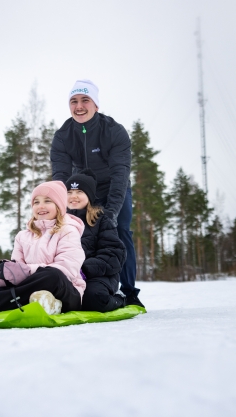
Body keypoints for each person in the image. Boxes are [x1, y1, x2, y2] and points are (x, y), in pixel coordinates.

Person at [50, 79, 144, 308]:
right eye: (74, 101)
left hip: (114, 187)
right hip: (82, 190)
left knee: (119, 231)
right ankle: (78, 285)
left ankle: (129, 291)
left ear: (96, 105)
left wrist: (111, 212)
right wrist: (61, 208)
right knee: (75, 234)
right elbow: (60, 177)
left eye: (85, 100)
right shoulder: (63, 136)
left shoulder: (114, 131)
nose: (79, 106)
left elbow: (120, 174)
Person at [0, 181, 86, 316]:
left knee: (52, 276)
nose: (41, 206)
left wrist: (28, 270)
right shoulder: (23, 236)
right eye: (36, 202)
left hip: (66, 290)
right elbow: (18, 268)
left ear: (59, 206)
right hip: (30, 286)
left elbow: (66, 269)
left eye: (47, 201)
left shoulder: (68, 231)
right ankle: (46, 302)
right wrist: (7, 272)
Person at [66, 169, 127, 312]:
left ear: (89, 195)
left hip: (99, 276)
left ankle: (120, 299)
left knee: (92, 298)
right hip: (69, 275)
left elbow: (114, 254)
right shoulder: (59, 222)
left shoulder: (102, 220)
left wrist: (85, 269)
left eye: (79, 192)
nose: (73, 196)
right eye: (69, 192)